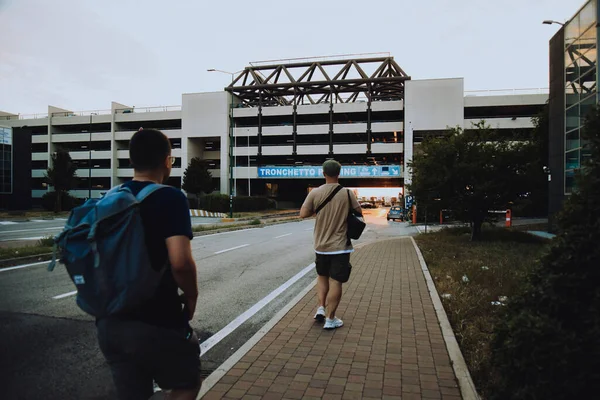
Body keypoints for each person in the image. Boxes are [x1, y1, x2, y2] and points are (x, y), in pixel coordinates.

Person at [95, 128, 201, 400]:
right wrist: (191, 295)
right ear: (167, 161)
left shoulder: (108, 199)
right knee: (187, 382)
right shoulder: (170, 197)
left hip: (110, 320)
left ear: (132, 161)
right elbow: (180, 262)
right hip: (156, 317)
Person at [300, 160, 362, 330]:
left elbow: (303, 214)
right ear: (339, 174)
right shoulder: (347, 193)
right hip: (340, 246)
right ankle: (331, 318)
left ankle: (320, 307)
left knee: (322, 277)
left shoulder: (315, 193)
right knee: (336, 281)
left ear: (323, 173)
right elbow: (359, 213)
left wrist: (320, 211)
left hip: (320, 245)